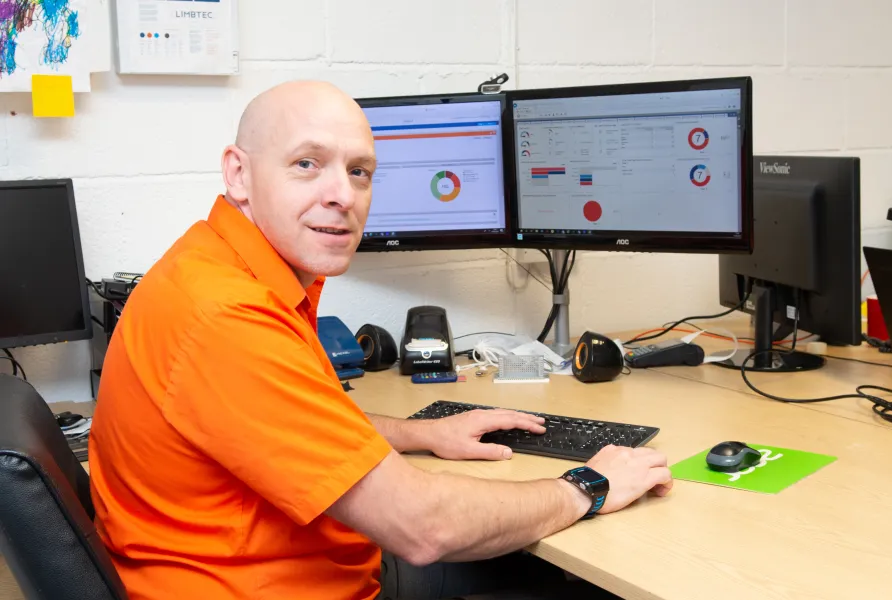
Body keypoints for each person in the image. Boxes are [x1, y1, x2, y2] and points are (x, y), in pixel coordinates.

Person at [88, 80, 673, 600]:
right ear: (239, 173)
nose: (343, 195)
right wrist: (588, 486)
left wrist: (425, 433)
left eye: (359, 171)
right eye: (307, 164)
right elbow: (425, 527)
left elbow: (298, 424)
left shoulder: (222, 268)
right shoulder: (225, 316)